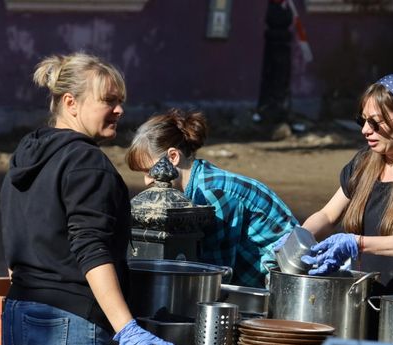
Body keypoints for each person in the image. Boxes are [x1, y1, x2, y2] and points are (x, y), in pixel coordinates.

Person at [0, 52, 173, 345]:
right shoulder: (86, 164)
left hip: (19, 314)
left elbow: (16, 245)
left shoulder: (23, 160)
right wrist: (127, 328)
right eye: (108, 101)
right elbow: (91, 250)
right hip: (67, 324)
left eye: (119, 101)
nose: (119, 109)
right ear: (70, 103)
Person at [298, 73, 393, 295]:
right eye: (362, 121)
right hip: (362, 298)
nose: (365, 130)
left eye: (375, 123)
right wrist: (298, 238)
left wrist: (358, 243)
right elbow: (327, 215)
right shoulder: (364, 162)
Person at [125, 108, 298, 288]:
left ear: (173, 156)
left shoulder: (211, 194)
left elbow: (217, 272)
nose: (146, 181)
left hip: (281, 281)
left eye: (149, 170)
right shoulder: (199, 182)